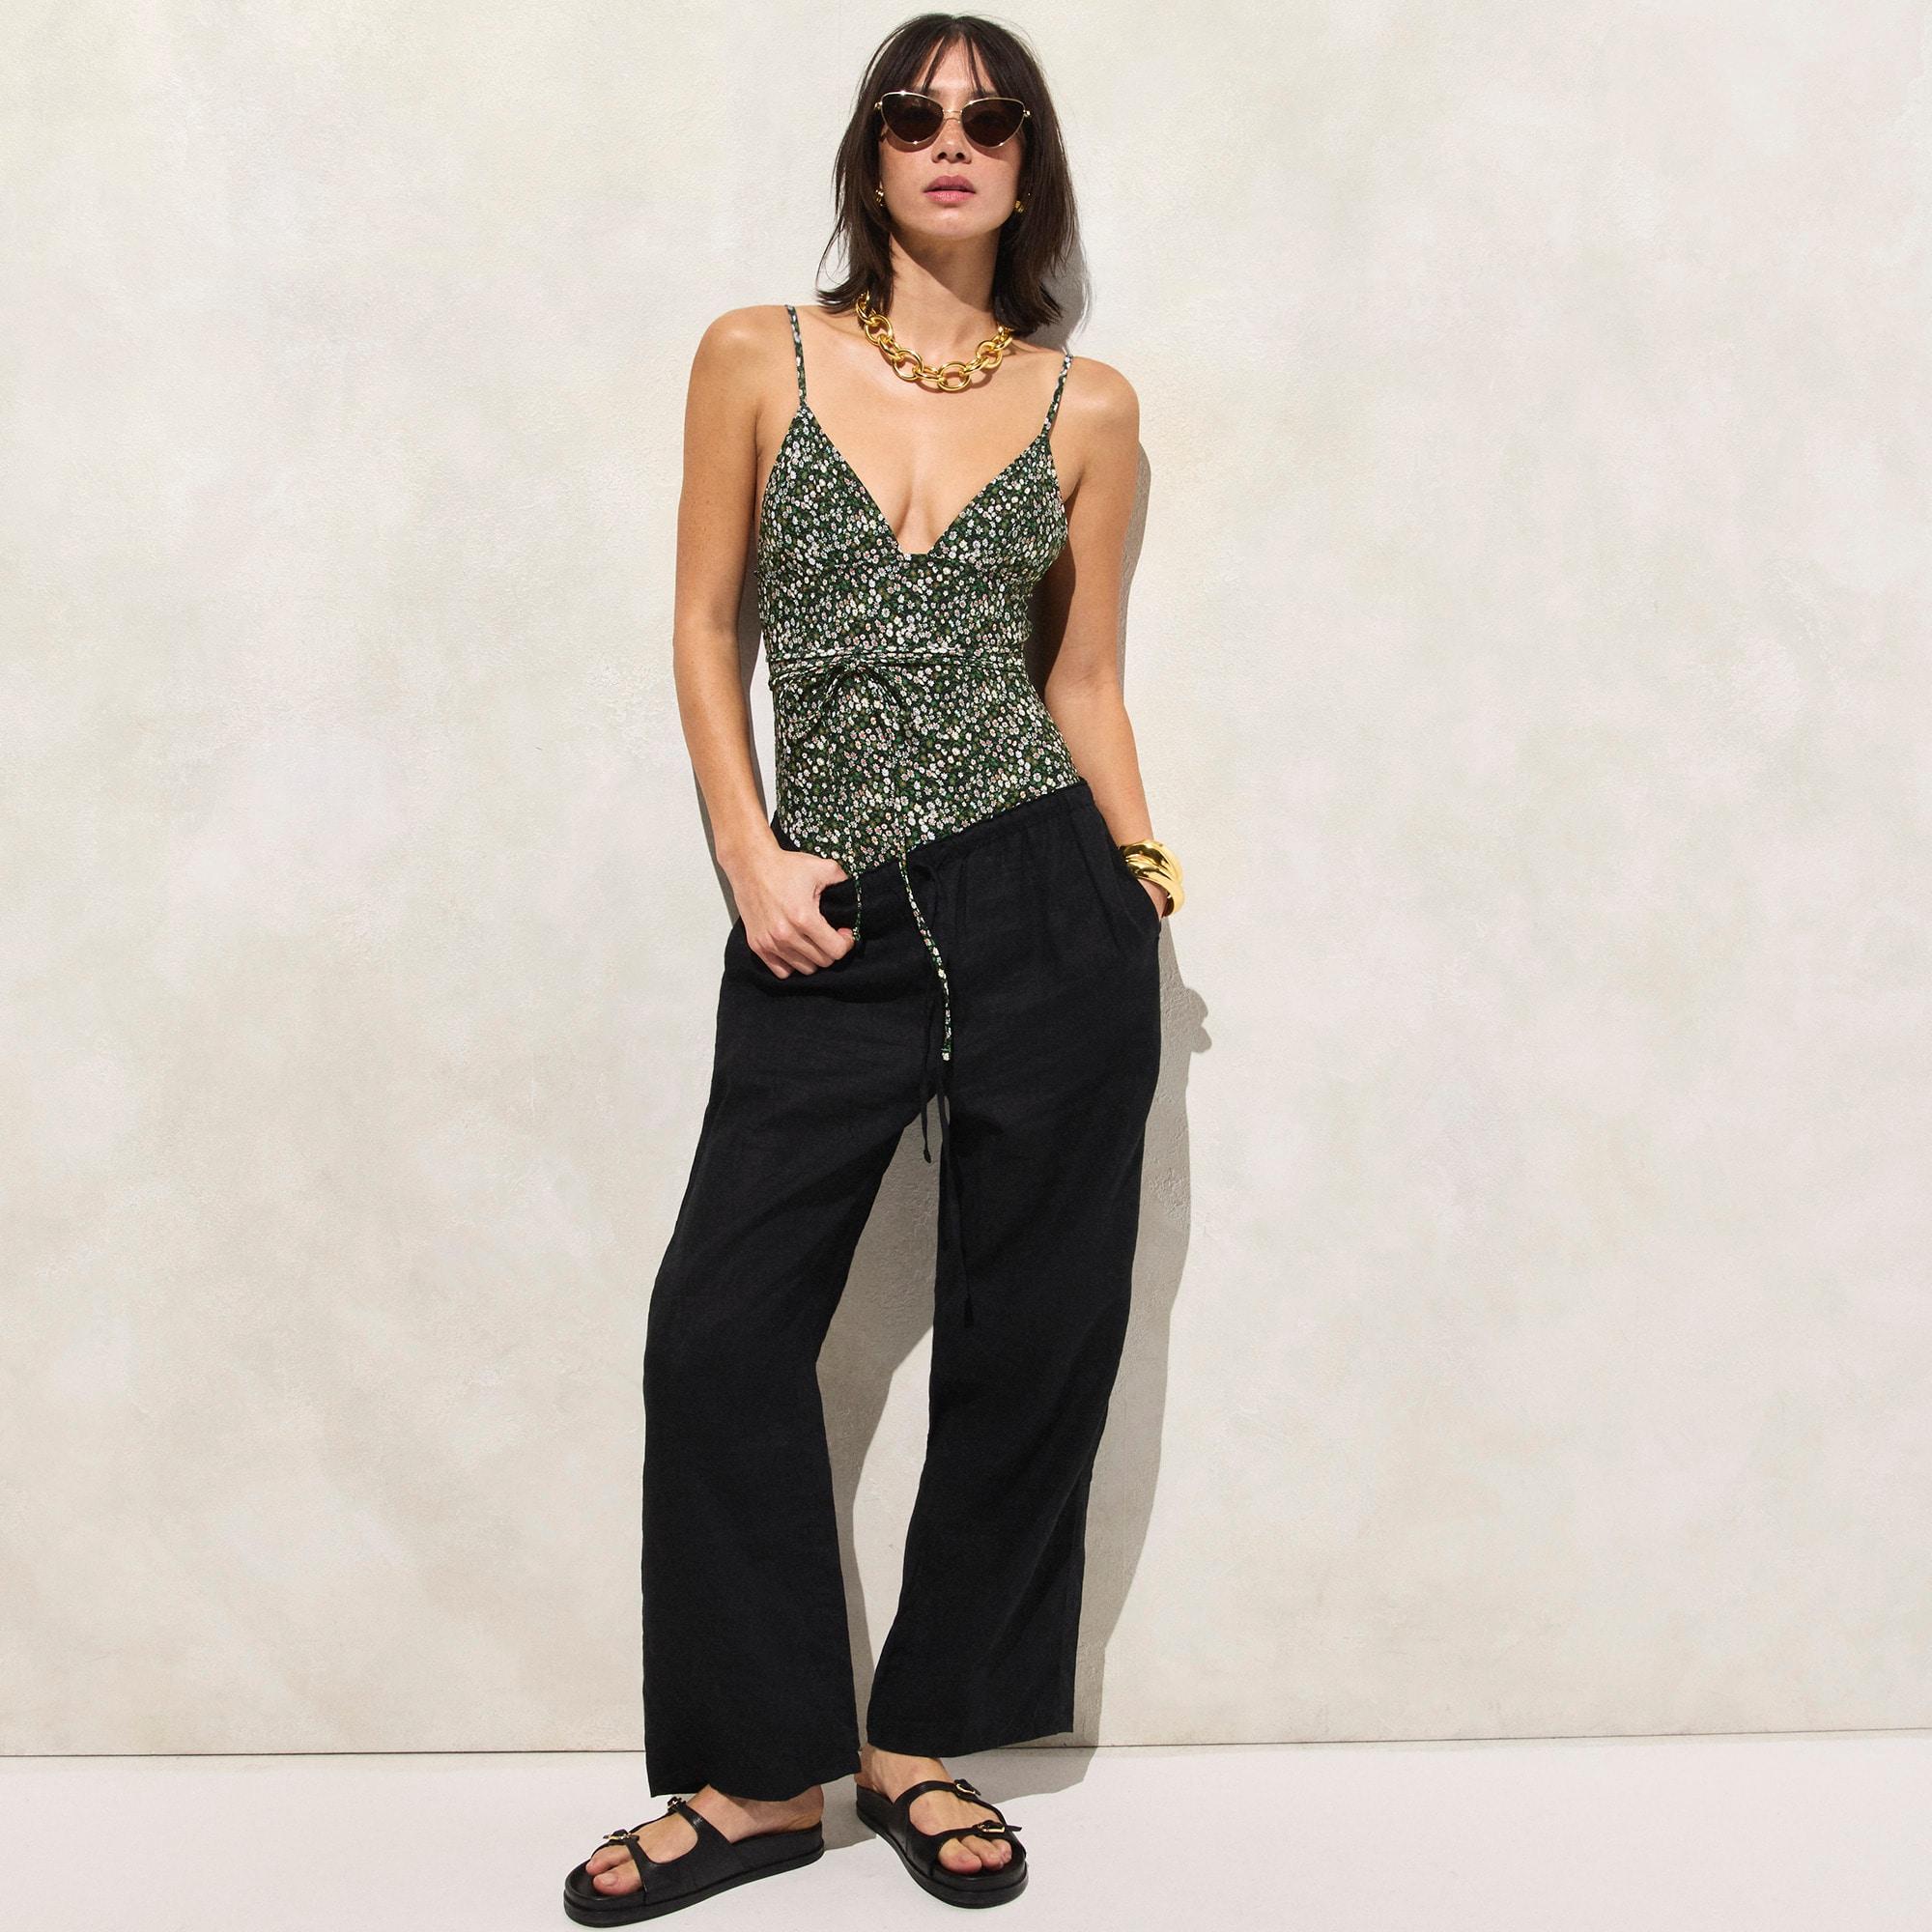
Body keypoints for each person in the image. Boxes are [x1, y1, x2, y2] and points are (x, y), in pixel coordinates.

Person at [563, 14, 1183, 1922]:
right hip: (820, 906)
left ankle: (926, 1741)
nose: (949, 139)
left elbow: (1083, 678)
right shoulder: (756, 355)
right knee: (719, 1327)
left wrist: (1138, 879)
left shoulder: (1091, 409)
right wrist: (745, 849)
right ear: (872, 151)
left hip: (1047, 902)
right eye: (914, 114)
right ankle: (761, 1779)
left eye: (990, 119)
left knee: (1036, 1329)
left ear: (1028, 162)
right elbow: (706, 624)